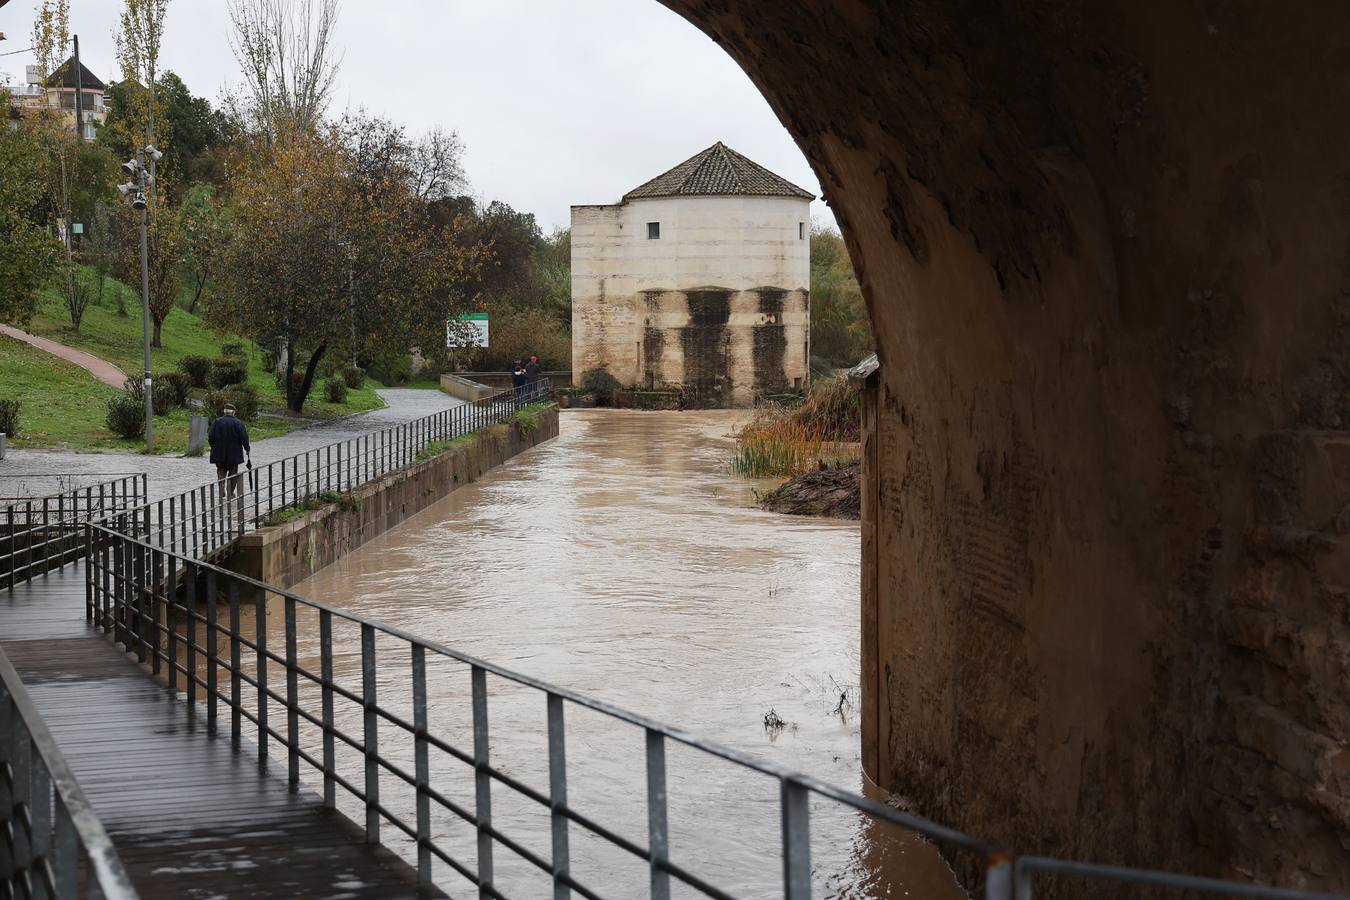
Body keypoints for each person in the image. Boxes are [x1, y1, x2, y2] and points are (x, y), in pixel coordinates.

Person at [208, 404, 251, 500]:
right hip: (234, 454)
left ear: (225, 412)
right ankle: (230, 493)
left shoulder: (217, 422)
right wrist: (247, 449)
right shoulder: (238, 423)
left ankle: (221, 487)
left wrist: (214, 447)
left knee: (221, 470)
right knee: (233, 473)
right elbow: (244, 438)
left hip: (219, 452)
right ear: (233, 412)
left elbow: (210, 437)